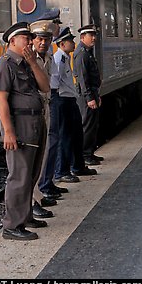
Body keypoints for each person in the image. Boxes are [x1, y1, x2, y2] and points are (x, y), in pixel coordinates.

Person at [0, 22, 50, 240]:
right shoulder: (4, 65)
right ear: (12, 41)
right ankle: (12, 225)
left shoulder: (27, 63)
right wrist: (8, 132)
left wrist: (34, 63)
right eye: (26, 37)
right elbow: (2, 101)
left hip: (35, 122)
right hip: (21, 125)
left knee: (32, 172)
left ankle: (26, 216)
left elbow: (45, 87)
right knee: (19, 175)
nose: (30, 41)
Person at [52, 27, 97, 183]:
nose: (73, 43)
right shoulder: (58, 59)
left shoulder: (65, 58)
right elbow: (54, 84)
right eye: (71, 41)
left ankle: (78, 166)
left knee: (76, 134)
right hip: (62, 100)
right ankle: (61, 171)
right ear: (63, 44)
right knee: (64, 136)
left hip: (71, 99)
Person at [29, 10, 60, 218]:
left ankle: (38, 195)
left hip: (45, 107)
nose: (43, 43)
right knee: (30, 160)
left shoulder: (47, 57)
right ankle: (31, 203)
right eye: (40, 39)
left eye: (47, 39)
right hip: (32, 112)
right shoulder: (27, 59)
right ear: (33, 40)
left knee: (44, 153)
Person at [73, 24, 104, 166]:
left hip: (92, 93)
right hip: (86, 96)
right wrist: (89, 97)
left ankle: (90, 152)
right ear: (82, 37)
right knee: (87, 125)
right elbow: (83, 78)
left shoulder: (87, 51)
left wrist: (96, 95)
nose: (94, 38)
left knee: (93, 125)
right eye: (90, 35)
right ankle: (85, 155)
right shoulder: (82, 53)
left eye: (94, 35)